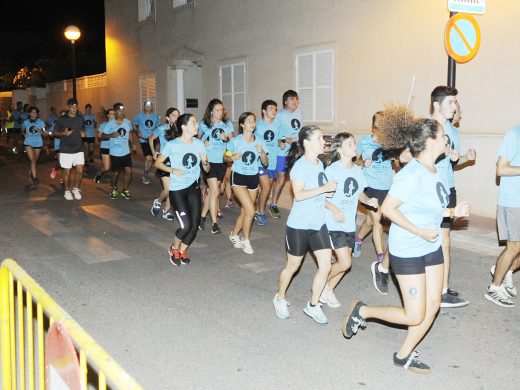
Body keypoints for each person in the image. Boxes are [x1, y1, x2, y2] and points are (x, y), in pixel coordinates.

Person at [343, 114, 470, 373]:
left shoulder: (436, 169)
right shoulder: (411, 173)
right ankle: (363, 311)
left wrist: (452, 214)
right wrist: (419, 231)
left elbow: (428, 207)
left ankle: (403, 355)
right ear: (431, 141)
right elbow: (389, 209)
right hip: (408, 249)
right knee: (414, 314)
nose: (446, 138)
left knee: (432, 306)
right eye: (442, 135)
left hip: (430, 246)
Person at [272, 125, 337, 325]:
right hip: (299, 226)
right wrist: (323, 189)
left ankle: (313, 304)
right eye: (319, 139)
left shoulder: (319, 164)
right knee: (293, 266)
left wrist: (329, 201)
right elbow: (299, 195)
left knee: (325, 266)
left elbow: (317, 191)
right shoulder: (300, 166)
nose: (323, 142)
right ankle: (280, 298)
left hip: (318, 224)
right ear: (307, 143)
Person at [320, 133, 379, 308]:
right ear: (340, 149)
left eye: (354, 144)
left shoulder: (357, 170)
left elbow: (359, 192)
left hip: (348, 224)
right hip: (333, 223)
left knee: (346, 264)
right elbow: (320, 196)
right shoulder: (332, 170)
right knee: (345, 262)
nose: (355, 147)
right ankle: (321, 283)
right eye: (350, 144)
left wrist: (368, 200)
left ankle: (327, 289)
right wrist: (334, 208)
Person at [430, 86, 475, 308]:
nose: (455, 107)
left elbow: (451, 159)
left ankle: (442, 288)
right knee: (430, 238)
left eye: (455, 102)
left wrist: (456, 156)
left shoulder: (450, 129)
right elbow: (406, 157)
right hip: (430, 189)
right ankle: (386, 265)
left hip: (448, 188)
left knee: (443, 240)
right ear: (436, 105)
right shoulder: (427, 129)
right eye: (450, 102)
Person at [154, 113, 210, 265]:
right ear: (184, 126)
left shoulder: (199, 144)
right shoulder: (173, 145)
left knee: (195, 223)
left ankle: (183, 249)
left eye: (196, 122)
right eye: (193, 123)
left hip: (194, 188)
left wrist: (205, 161)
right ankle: (174, 248)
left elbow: (206, 169)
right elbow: (158, 163)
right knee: (185, 225)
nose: (197, 125)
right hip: (178, 190)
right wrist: (172, 170)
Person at [354, 112, 395, 295]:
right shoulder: (364, 141)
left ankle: (357, 239)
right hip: (369, 186)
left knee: (370, 221)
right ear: (373, 127)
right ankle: (380, 259)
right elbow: (355, 160)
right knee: (377, 220)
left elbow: (398, 163)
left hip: (386, 187)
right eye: (380, 125)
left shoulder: (390, 142)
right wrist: (364, 162)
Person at [485, 123, 520, 307]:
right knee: (514, 247)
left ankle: (504, 270)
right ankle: (494, 288)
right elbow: (501, 169)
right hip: (513, 202)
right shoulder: (514, 134)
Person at [226, 112, 268, 254]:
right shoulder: (235, 141)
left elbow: (265, 163)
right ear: (242, 124)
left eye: (253, 121)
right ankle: (246, 240)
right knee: (251, 211)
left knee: (245, 210)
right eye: (249, 121)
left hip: (253, 178)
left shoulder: (260, 141)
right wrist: (232, 156)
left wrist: (262, 154)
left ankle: (233, 234)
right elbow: (225, 157)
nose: (252, 123)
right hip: (238, 177)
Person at [198, 99, 234, 234]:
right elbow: (196, 140)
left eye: (221, 110)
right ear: (211, 111)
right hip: (208, 161)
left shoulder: (227, 124)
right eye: (217, 110)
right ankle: (214, 224)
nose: (220, 113)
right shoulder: (204, 124)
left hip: (221, 162)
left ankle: (201, 218)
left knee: (212, 192)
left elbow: (233, 143)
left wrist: (227, 140)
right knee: (215, 192)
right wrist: (203, 143)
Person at [269, 90, 303, 219]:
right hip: (283, 152)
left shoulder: (299, 113)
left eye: (296, 99)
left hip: (297, 150)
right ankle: (273, 204)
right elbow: (275, 135)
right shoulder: (279, 115)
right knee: (281, 179)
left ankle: (298, 203)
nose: (295, 102)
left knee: (298, 177)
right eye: (292, 99)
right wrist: (285, 139)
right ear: (285, 102)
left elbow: (299, 130)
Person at [101, 102, 137, 199]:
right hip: (115, 153)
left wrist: (132, 143)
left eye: (123, 110)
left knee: (128, 171)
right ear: (116, 112)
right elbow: (102, 136)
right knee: (115, 173)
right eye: (119, 110)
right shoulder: (110, 124)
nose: (122, 112)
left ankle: (124, 190)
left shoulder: (127, 122)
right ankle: (113, 189)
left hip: (125, 152)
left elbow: (130, 134)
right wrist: (111, 135)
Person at [149, 107, 180, 221]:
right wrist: (153, 152)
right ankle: (158, 201)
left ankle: (166, 211)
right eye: (174, 115)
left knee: (173, 189)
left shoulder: (180, 130)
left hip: (176, 163)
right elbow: (151, 139)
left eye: (178, 115)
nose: (176, 117)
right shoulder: (162, 129)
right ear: (168, 118)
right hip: (164, 162)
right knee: (169, 189)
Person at [53, 98, 85, 200]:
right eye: (72, 107)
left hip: (78, 148)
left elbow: (82, 128)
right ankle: (67, 191)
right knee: (67, 172)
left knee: (80, 171)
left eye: (75, 107)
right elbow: (54, 133)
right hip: (66, 149)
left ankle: (75, 188)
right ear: (68, 107)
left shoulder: (80, 118)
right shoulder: (61, 119)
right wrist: (63, 133)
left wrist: (83, 132)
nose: (74, 109)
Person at [254, 100, 279, 226]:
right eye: (271, 108)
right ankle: (260, 212)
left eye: (275, 108)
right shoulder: (256, 125)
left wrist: (281, 142)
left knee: (264, 190)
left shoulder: (277, 125)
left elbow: (279, 139)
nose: (274, 110)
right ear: (264, 111)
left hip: (272, 161)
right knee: (266, 188)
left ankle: (257, 209)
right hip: (260, 162)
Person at [133, 100, 160, 184]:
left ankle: (146, 173)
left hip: (152, 139)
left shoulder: (155, 116)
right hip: (143, 139)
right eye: (147, 105)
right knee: (148, 157)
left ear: (152, 107)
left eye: (150, 105)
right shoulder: (139, 115)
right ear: (144, 107)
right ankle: (145, 175)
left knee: (151, 158)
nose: (148, 107)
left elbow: (157, 126)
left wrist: (155, 133)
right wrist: (137, 131)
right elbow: (133, 123)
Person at [22, 106, 46, 185]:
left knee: (35, 161)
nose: (34, 114)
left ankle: (31, 171)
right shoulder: (26, 122)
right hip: (28, 142)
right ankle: (35, 177)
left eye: (35, 112)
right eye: (32, 112)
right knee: (32, 160)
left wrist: (38, 130)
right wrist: (24, 133)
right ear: (29, 113)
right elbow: (22, 130)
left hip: (38, 143)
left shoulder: (41, 122)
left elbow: (45, 133)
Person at [94, 108, 115, 183]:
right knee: (107, 167)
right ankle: (99, 173)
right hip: (105, 147)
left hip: (115, 148)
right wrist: (107, 136)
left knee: (114, 166)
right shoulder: (103, 125)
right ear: (108, 115)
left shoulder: (117, 125)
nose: (113, 115)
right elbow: (99, 138)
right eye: (111, 114)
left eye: (114, 114)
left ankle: (113, 182)